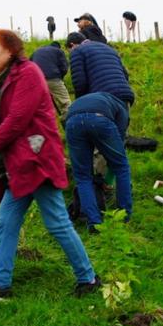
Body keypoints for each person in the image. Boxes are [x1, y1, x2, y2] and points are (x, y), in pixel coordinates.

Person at [0, 28, 100, 301]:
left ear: (9, 49)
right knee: (5, 220)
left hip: (37, 161)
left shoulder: (28, 74)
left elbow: (16, 121)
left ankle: (88, 279)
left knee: (57, 222)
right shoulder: (9, 77)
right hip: (22, 164)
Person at [65, 92, 133, 232]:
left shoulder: (102, 99)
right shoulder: (122, 111)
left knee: (83, 177)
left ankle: (94, 223)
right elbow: (118, 149)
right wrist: (109, 180)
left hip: (72, 122)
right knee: (122, 166)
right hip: (99, 119)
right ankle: (124, 215)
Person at [65, 32, 135, 106]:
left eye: (69, 51)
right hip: (125, 96)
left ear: (72, 45)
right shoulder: (109, 49)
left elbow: (80, 83)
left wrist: (80, 103)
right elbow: (125, 75)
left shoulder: (77, 51)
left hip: (102, 99)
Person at [31, 41, 71, 116]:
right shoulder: (58, 51)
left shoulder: (37, 51)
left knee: (40, 104)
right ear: (58, 47)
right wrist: (60, 77)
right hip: (53, 78)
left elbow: (30, 64)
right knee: (65, 101)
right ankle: (68, 119)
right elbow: (64, 67)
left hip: (37, 80)